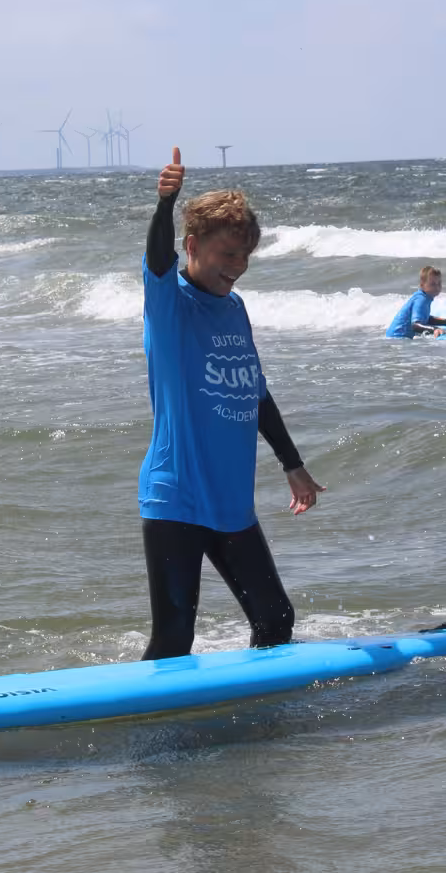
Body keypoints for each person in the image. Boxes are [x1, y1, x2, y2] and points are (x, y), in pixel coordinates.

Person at [139, 146, 325, 660]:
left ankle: (259, 710)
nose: (238, 267)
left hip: (230, 499)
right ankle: (149, 713)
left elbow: (255, 390)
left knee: (275, 618)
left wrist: (293, 465)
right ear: (193, 246)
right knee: (174, 638)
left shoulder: (234, 307)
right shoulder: (170, 304)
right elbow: (157, 259)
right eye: (227, 255)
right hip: (177, 496)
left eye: (245, 257)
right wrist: (165, 204)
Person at [385, 266, 446, 339]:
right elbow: (415, 325)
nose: (437, 287)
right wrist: (435, 329)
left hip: (396, 338)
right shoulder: (421, 299)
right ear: (422, 285)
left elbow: (425, 319)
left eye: (439, 284)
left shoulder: (424, 297)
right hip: (397, 339)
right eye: (433, 284)